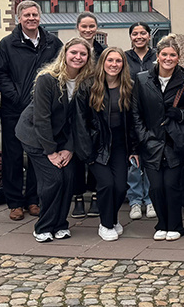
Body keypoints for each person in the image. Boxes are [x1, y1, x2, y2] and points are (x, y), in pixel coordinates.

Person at [15, 37, 92, 242]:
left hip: (62, 138)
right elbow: (42, 118)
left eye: (83, 54)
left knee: (68, 178)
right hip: (35, 136)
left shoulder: (85, 82)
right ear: (65, 54)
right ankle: (43, 226)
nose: (78, 57)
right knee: (53, 179)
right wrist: (51, 152)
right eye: (73, 52)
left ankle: (60, 224)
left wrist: (69, 149)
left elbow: (79, 119)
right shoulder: (47, 79)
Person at [0, 0, 63, 221]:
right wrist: (16, 97)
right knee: (13, 156)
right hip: (14, 109)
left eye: (34, 15)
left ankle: (33, 200)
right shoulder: (7, 44)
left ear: (39, 17)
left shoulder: (52, 43)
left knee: (38, 155)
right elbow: (0, 75)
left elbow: (61, 70)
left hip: (42, 111)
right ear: (19, 18)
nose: (31, 18)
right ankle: (14, 202)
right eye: (26, 15)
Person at [131, 34, 184, 242]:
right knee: (156, 187)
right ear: (157, 56)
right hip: (150, 143)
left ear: (178, 58)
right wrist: (143, 139)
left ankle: (175, 225)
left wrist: (180, 114)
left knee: (172, 186)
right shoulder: (142, 80)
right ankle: (162, 222)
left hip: (173, 144)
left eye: (172, 55)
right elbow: (136, 113)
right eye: (164, 54)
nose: (168, 58)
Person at [74, 47, 139, 241]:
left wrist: (134, 149)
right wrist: (86, 152)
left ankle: (112, 218)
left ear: (123, 64)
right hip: (97, 146)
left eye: (118, 61)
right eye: (110, 60)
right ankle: (106, 224)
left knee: (120, 187)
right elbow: (80, 121)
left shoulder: (129, 86)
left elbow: (134, 121)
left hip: (120, 145)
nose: (114, 64)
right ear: (102, 62)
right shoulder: (88, 86)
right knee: (106, 184)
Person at [71, 12, 105, 218]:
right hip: (74, 105)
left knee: (94, 152)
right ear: (78, 27)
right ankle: (77, 198)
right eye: (84, 26)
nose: (88, 30)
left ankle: (94, 195)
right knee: (76, 154)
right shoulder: (72, 48)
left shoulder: (101, 51)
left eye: (92, 26)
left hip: (95, 105)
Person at [124, 22, 157, 220]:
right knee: (133, 158)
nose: (139, 36)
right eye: (135, 33)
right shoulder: (125, 58)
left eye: (142, 33)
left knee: (152, 156)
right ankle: (136, 199)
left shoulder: (157, 56)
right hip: (129, 110)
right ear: (131, 37)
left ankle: (151, 198)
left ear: (148, 36)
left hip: (152, 112)